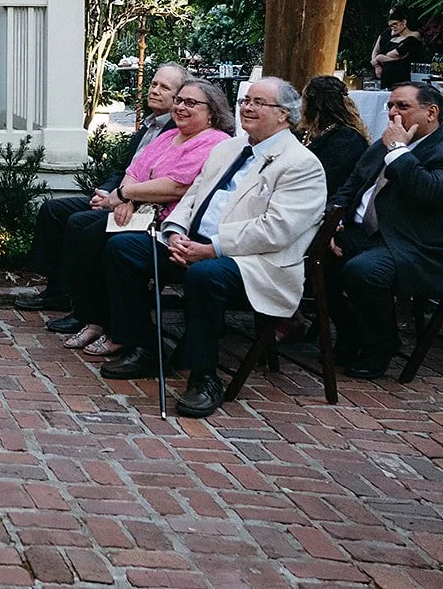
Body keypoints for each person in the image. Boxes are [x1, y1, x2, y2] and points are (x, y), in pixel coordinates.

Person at [99, 78, 326, 417]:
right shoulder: (228, 148)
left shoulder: (301, 164)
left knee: (205, 274)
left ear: (284, 115)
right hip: (194, 245)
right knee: (125, 248)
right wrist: (174, 232)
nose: (247, 107)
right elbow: (192, 198)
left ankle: (204, 377)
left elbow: (275, 231)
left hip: (253, 263)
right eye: (246, 100)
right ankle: (146, 347)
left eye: (258, 103)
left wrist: (211, 249)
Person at [50, 78, 232, 355]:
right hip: (142, 211)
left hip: (171, 223)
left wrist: (126, 196)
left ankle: (116, 327)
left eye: (191, 103)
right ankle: (94, 317)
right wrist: (126, 196)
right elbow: (135, 168)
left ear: (212, 112)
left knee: (100, 238)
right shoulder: (168, 136)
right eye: (180, 100)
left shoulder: (214, 141)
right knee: (82, 226)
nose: (181, 107)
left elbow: (177, 185)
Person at [17, 63, 187, 312]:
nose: (155, 90)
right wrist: (106, 192)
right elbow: (122, 169)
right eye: (153, 84)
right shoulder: (147, 128)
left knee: (80, 222)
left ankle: (83, 304)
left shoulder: (177, 132)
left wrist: (121, 199)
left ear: (178, 97)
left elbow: (163, 182)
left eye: (164, 87)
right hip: (117, 196)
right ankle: (58, 290)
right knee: (53, 210)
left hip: (138, 207)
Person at [328, 81, 443, 379]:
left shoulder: (426, 147)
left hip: (414, 244)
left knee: (364, 271)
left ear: (431, 112)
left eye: (402, 106)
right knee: (308, 257)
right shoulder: (385, 143)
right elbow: (350, 185)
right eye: (390, 105)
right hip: (363, 231)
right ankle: (351, 331)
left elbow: (428, 189)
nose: (392, 113)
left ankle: (381, 345)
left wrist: (398, 150)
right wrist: (333, 219)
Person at [299, 75, 369, 197]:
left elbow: (329, 180)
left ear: (314, 105)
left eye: (303, 98)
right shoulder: (306, 131)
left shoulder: (346, 139)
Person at [370, 6, 427, 89]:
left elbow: (396, 54)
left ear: (404, 22)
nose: (393, 27)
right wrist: (376, 64)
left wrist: (380, 58)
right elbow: (376, 50)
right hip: (385, 75)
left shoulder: (413, 37)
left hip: (402, 75)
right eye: (391, 26)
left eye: (395, 24)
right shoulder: (389, 35)